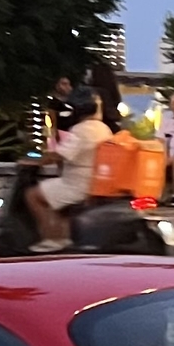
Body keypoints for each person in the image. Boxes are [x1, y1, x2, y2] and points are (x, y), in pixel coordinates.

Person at [29, 87, 109, 242]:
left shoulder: (82, 130)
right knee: (55, 200)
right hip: (93, 181)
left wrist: (36, 160)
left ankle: (52, 239)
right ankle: (62, 234)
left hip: (76, 184)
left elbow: (60, 154)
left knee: (32, 196)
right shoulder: (104, 129)